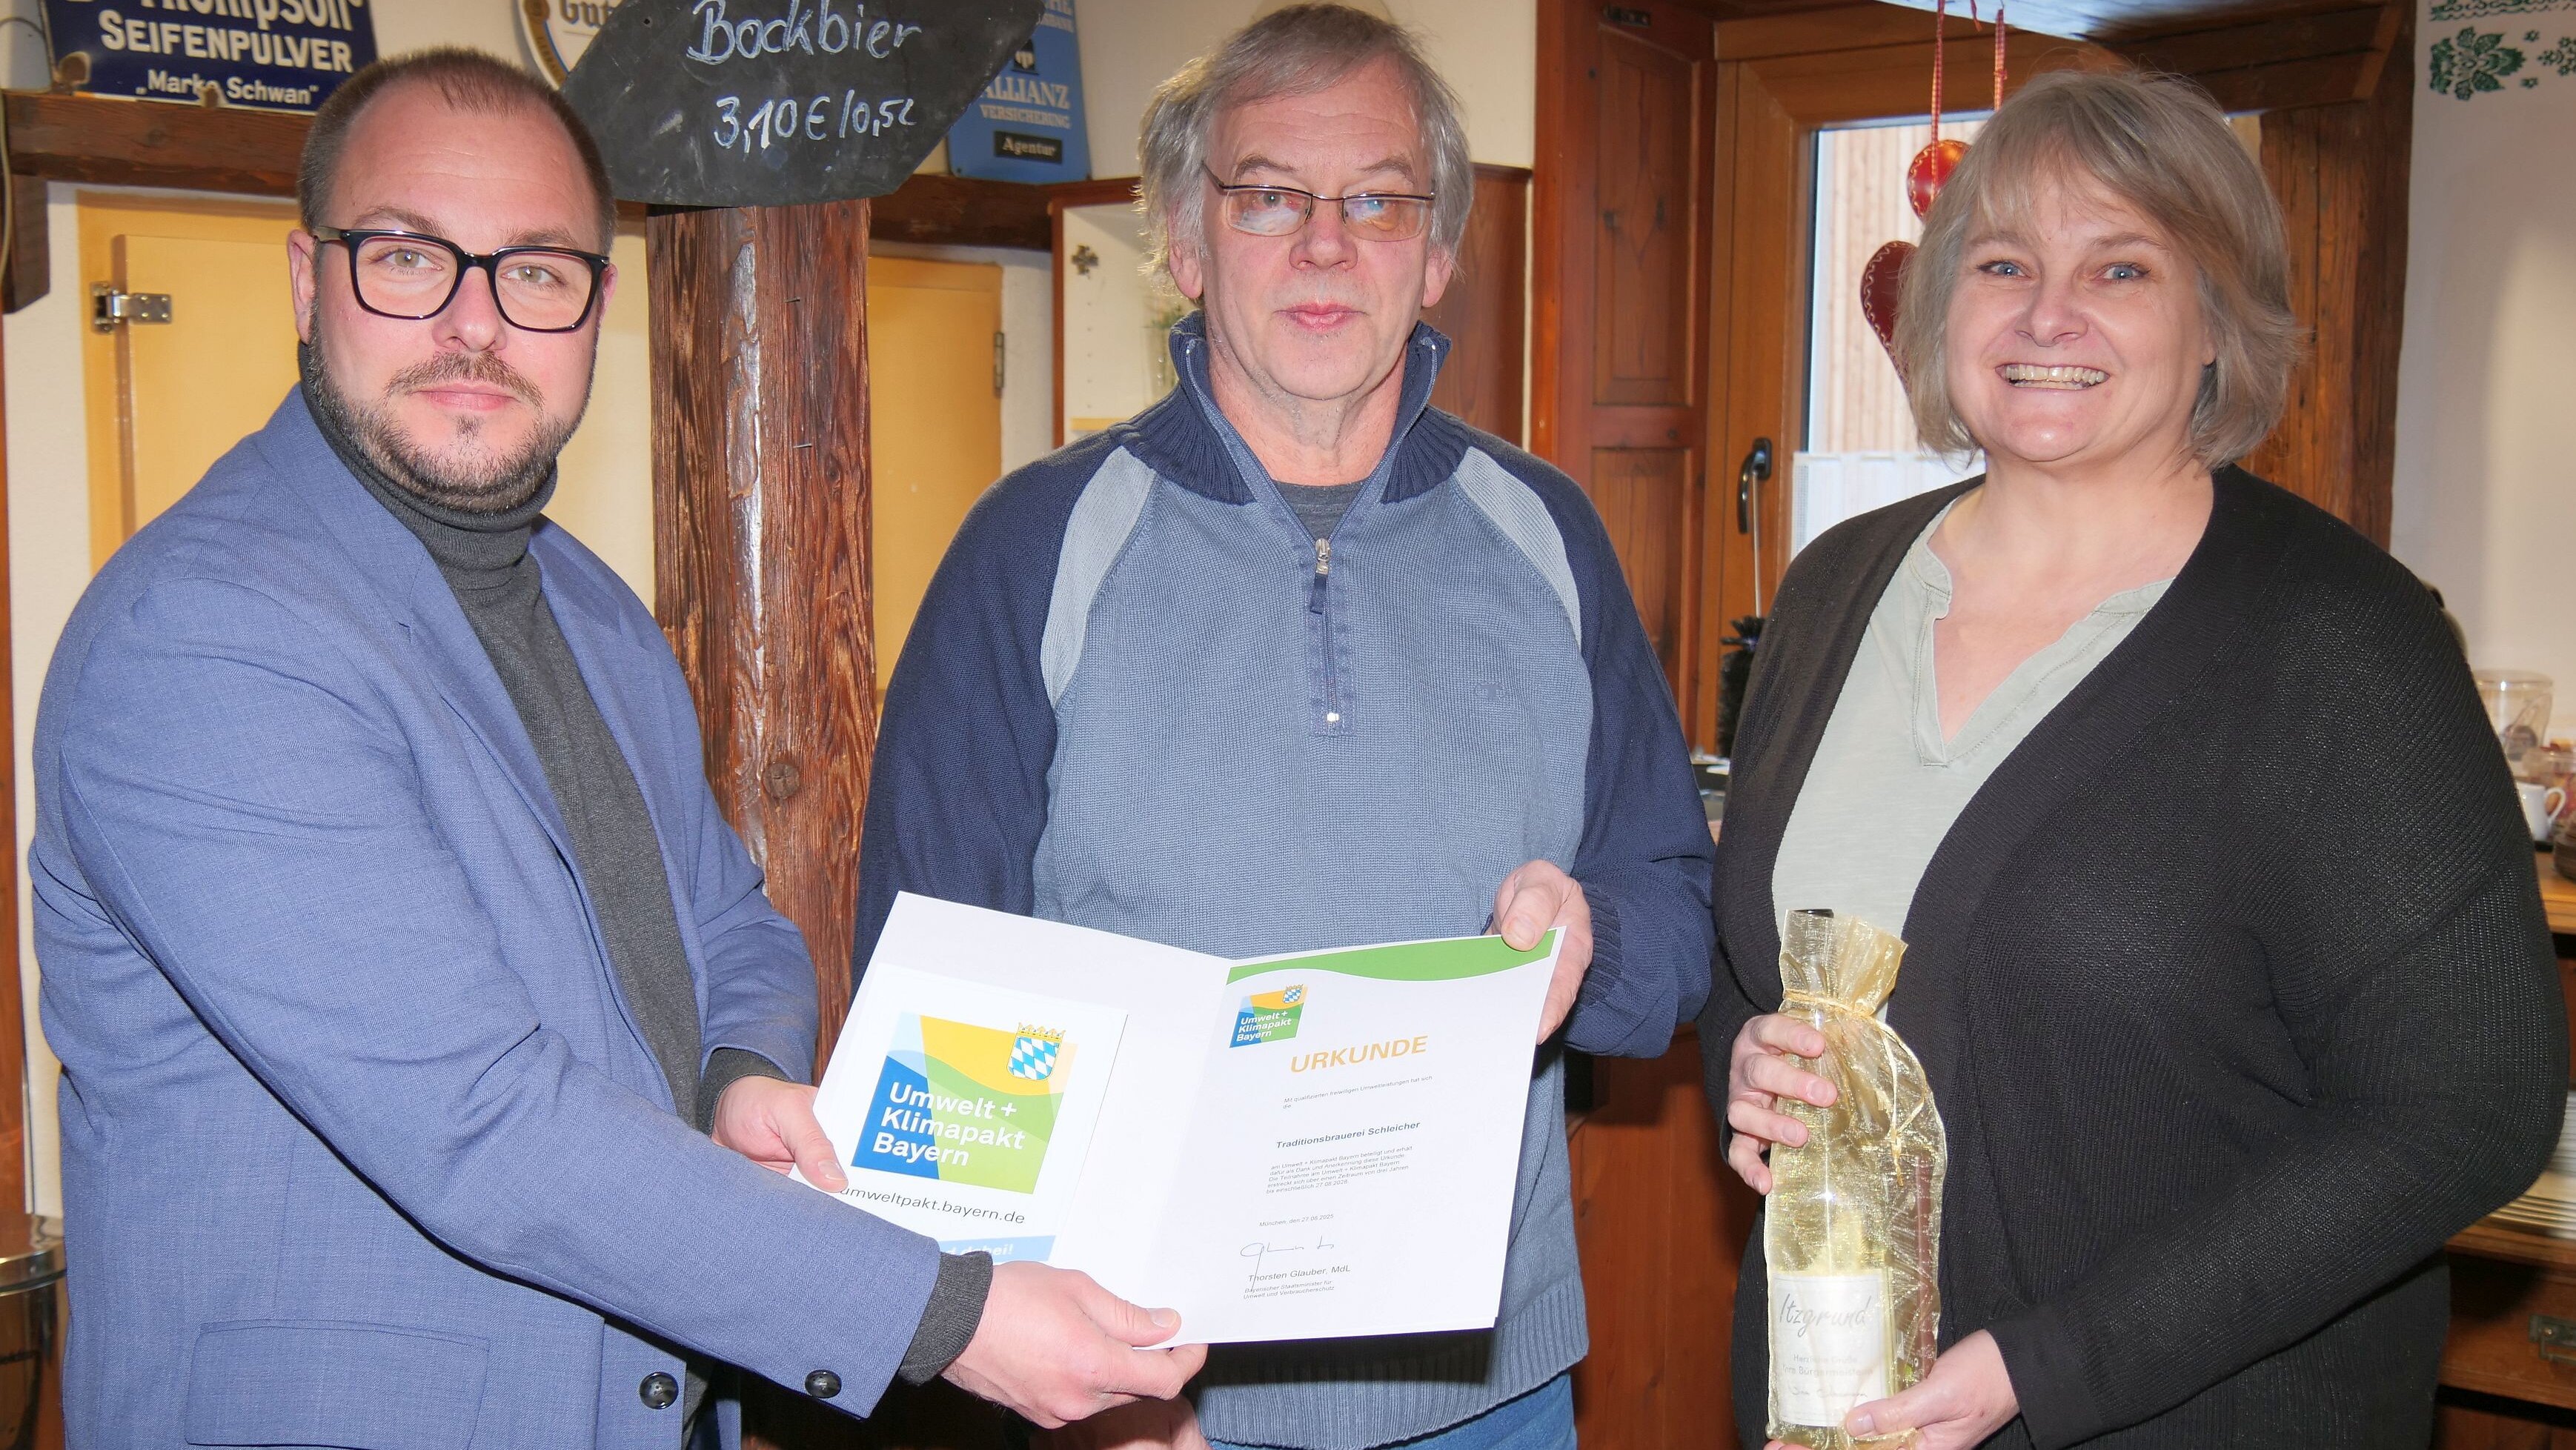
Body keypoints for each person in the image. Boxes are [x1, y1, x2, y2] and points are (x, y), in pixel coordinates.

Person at [31, 49, 1202, 1449]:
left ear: (595, 302)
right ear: (307, 281)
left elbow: (732, 925)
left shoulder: (586, 605)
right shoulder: (202, 639)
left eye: (535, 271)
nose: (477, 326)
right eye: (410, 259)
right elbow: (478, 1120)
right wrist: (945, 1314)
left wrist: (735, 1080)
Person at [856, 7, 1715, 1449]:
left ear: (1437, 251)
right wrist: (1077, 1386)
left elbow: (1677, 915)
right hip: (1143, 1390)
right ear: (1186, 248)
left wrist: (1596, 938)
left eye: (1378, 198)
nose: (1327, 245)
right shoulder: (1035, 544)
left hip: (1488, 1397)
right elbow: (933, 1007)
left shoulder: (1548, 533)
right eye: (1269, 197)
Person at [1701, 69, 2566, 1450]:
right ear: (1941, 310)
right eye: (2002, 263)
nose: (2049, 314)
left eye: (2121, 266)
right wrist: (1741, 1060)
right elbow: (1751, 957)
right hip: (1833, 1397)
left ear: (2217, 320)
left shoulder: (2342, 645)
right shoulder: (1835, 588)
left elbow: (2470, 1105)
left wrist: (2048, 1362)